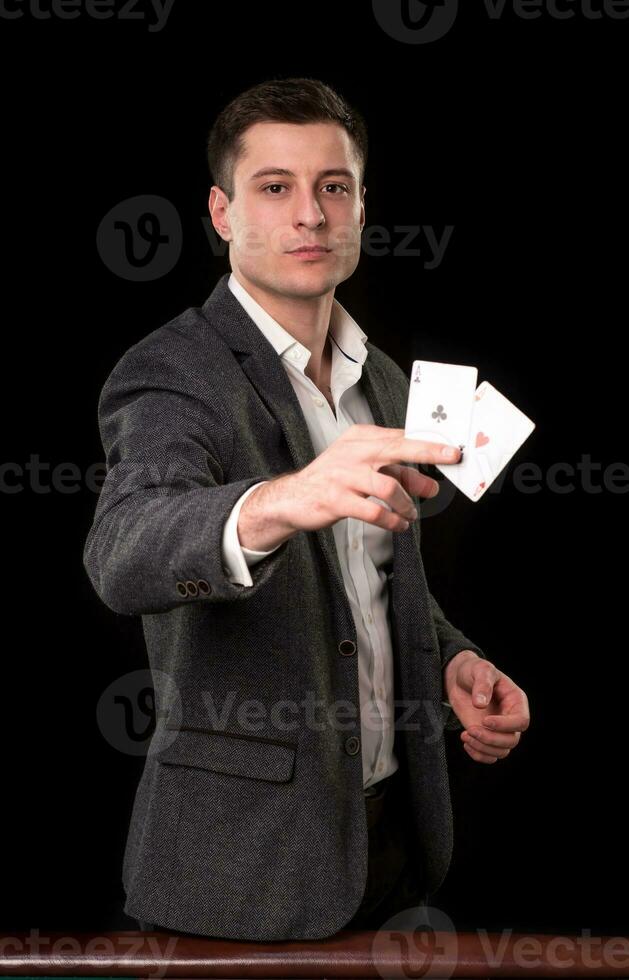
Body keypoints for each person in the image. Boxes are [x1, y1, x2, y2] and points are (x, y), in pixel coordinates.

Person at [83, 76, 530, 942]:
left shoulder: (387, 384)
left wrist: (452, 663)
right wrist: (281, 501)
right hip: (236, 873)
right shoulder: (174, 372)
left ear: (363, 206)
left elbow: (376, 585)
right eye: (275, 187)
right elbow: (124, 550)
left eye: (334, 187)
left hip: (393, 851)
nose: (311, 216)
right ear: (220, 212)